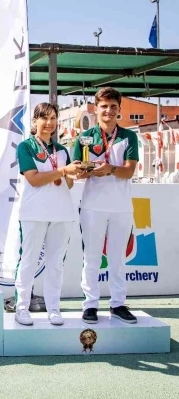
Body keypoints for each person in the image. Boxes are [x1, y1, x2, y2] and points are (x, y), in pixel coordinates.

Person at [72, 87, 139, 324]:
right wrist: (86, 171)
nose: (108, 110)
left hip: (121, 207)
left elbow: (129, 171)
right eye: (104, 106)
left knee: (117, 259)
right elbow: (76, 171)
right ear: (96, 108)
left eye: (113, 106)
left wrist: (110, 169)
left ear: (119, 109)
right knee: (91, 258)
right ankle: (90, 305)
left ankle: (118, 303)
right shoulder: (85, 137)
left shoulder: (128, 136)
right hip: (92, 206)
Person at [13, 102, 80, 326]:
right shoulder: (26, 146)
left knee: (56, 264)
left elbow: (68, 184)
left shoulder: (61, 150)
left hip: (61, 212)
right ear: (35, 121)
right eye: (44, 118)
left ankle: (54, 308)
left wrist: (77, 173)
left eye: (53, 118)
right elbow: (34, 179)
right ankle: (22, 308)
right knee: (28, 261)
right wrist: (63, 171)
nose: (49, 123)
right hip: (34, 212)